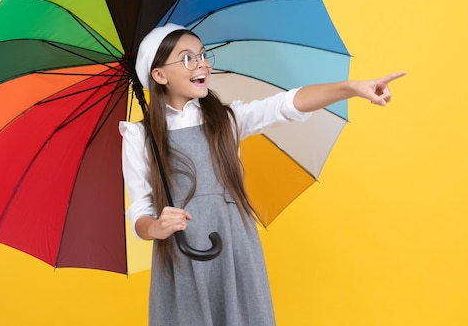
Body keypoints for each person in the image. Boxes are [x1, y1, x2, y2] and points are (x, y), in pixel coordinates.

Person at [120, 23, 406, 326]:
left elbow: (286, 105)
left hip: (234, 244)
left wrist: (351, 88)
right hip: (181, 255)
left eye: (203, 55)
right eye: (188, 58)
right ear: (159, 75)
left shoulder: (226, 119)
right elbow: (140, 212)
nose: (202, 63)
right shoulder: (139, 137)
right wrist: (157, 227)